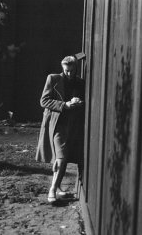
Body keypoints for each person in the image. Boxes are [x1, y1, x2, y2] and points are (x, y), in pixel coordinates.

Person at [35, 56, 85, 202]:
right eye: (66, 71)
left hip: (73, 125)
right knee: (61, 157)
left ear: (76, 68)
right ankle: (52, 190)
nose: (69, 74)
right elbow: (43, 101)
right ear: (62, 68)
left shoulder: (80, 83)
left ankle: (58, 188)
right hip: (56, 124)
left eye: (71, 70)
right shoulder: (53, 79)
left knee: (65, 156)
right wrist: (64, 105)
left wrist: (78, 102)